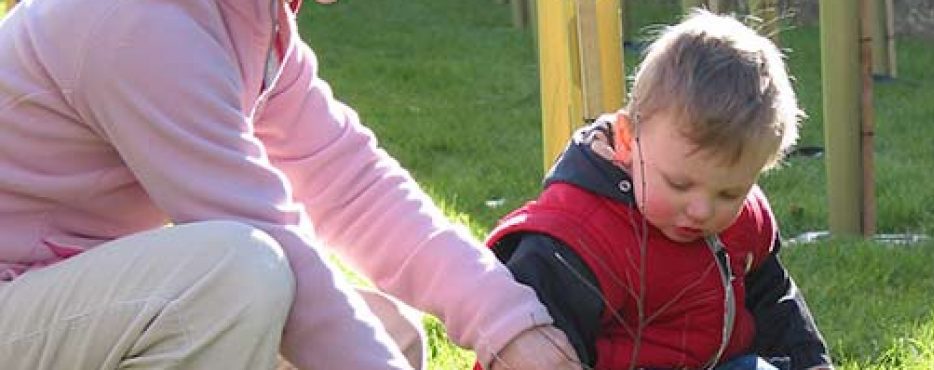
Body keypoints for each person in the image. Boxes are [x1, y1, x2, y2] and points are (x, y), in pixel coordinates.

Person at [0, 0, 579, 369]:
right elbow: (264, 230)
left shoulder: (253, 20)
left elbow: (354, 188)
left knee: (388, 334)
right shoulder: (138, 20)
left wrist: (511, 327)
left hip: (49, 296)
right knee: (234, 276)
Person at [483, 10, 832, 370]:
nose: (701, 210)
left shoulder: (744, 220)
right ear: (626, 139)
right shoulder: (575, 240)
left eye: (729, 193)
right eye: (679, 184)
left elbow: (774, 301)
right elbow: (521, 347)